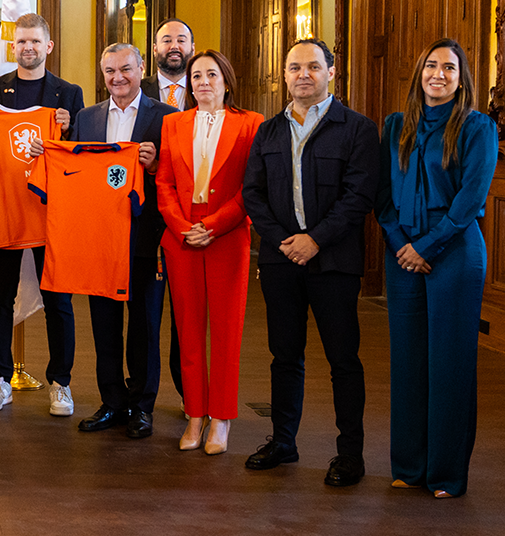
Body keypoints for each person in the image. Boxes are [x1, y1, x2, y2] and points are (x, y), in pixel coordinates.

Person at [242, 38, 379, 487]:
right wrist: (284, 242)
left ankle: (350, 454)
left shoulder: (356, 128)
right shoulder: (268, 131)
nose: (303, 75)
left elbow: (359, 196)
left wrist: (315, 239)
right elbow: (252, 194)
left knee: (343, 359)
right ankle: (284, 441)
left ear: (331, 72)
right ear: (285, 75)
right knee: (284, 355)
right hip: (281, 261)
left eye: (313, 67)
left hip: (334, 262)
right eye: (295, 68)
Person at [377, 39, 495, 498]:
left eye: (449, 68)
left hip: (455, 251)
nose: (438, 74)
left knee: (449, 363)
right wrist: (401, 244)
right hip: (403, 253)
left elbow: (471, 198)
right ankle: (410, 466)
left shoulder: (476, 127)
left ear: (461, 79)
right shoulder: (395, 126)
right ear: (419, 73)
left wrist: (426, 245)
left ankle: (446, 474)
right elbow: (383, 195)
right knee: (408, 362)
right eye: (431, 65)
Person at [0, 13, 84, 417]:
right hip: (3, 209)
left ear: (48, 46)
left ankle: (61, 382)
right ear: (13, 46)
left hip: (50, 213)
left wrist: (68, 131)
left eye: (35, 41)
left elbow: (79, 154)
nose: (28, 48)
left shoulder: (68, 93)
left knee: (59, 301)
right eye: (21, 41)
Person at [155, 50, 261, 455]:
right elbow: (164, 183)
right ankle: (195, 414)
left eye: (211, 75)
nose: (203, 82)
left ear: (226, 81)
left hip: (227, 235)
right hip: (182, 235)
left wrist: (214, 226)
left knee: (227, 332)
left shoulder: (250, 124)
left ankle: (221, 418)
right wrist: (182, 228)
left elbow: (252, 187)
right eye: (196, 76)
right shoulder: (173, 122)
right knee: (188, 331)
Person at [72, 43, 174, 439]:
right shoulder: (86, 118)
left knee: (145, 325)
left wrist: (156, 164)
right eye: (110, 71)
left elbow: (179, 176)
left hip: (147, 238)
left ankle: (142, 406)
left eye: (126, 69)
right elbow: (76, 175)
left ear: (141, 68)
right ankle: (112, 402)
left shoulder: (167, 117)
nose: (118, 78)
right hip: (101, 238)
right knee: (104, 324)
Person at [143, 19, 195, 401]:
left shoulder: (208, 88)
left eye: (181, 39)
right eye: (166, 40)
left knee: (187, 317)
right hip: (146, 218)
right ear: (155, 49)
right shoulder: (135, 88)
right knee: (146, 317)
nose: (173, 45)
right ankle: (143, 398)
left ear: (191, 47)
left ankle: (189, 394)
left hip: (193, 221)